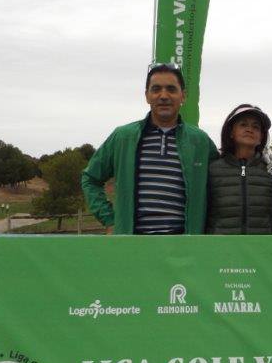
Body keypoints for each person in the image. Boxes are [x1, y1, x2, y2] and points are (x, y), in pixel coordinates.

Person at [81, 63, 219, 234]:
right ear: (147, 96)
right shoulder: (123, 137)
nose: (163, 96)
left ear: (183, 96)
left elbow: (223, 186)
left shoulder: (201, 142)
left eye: (171, 89)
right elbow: (90, 179)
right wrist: (109, 219)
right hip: (133, 247)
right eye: (156, 89)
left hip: (185, 249)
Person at [206, 104, 272, 234]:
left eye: (256, 127)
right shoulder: (212, 170)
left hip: (261, 251)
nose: (250, 129)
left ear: (261, 137)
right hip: (220, 251)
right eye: (243, 124)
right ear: (231, 132)